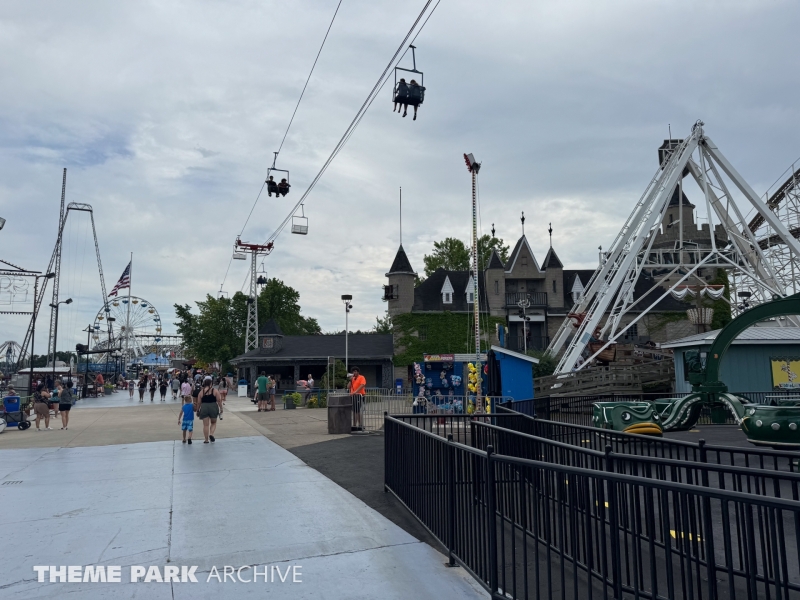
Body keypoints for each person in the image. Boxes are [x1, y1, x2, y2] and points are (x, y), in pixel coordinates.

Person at [197, 376, 223, 443]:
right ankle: (211, 434)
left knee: (206, 425)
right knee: (213, 422)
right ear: (211, 383)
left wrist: (197, 410)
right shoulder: (215, 391)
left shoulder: (201, 392)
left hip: (204, 407)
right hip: (213, 406)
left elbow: (199, 402)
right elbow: (219, 400)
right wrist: (221, 408)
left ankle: (206, 440)